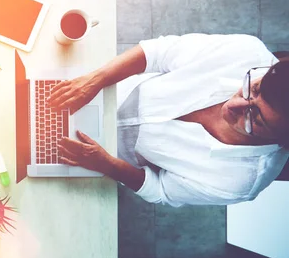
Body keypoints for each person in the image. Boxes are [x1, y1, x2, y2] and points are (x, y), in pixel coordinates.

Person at [49, 34, 289, 207]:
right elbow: (158, 53)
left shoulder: (241, 183)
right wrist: (94, 81)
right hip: (103, 89)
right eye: (253, 89)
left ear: (280, 141)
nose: (234, 105)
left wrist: (105, 164)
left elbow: (161, 190)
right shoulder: (246, 53)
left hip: (102, 157)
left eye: (254, 119)